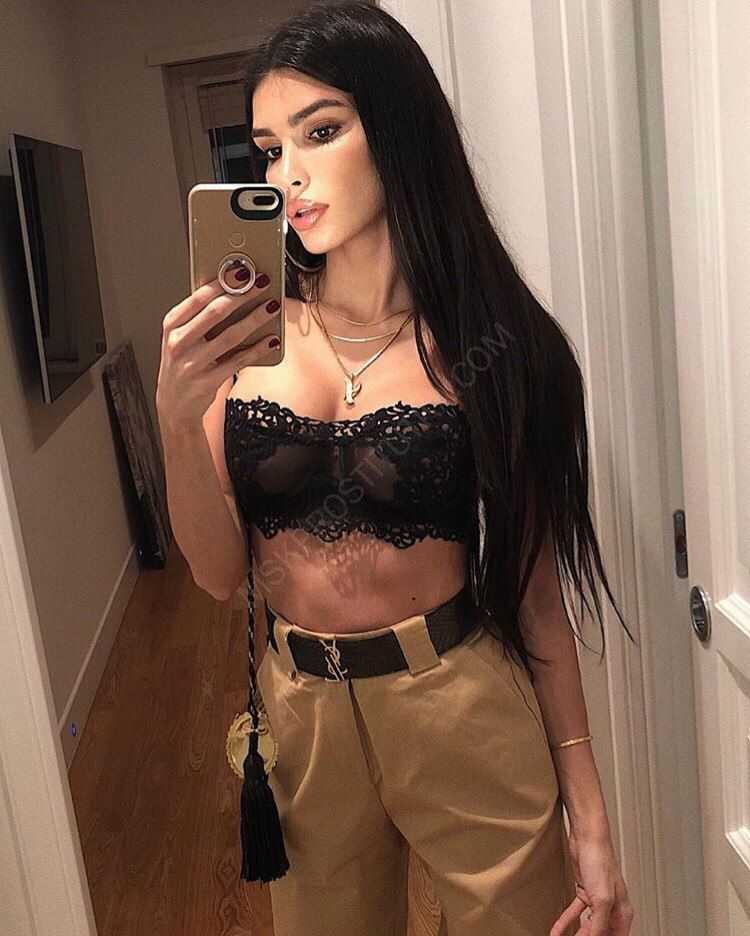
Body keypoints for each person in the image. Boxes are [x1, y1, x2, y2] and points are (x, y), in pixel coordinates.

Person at [156, 2, 635, 934]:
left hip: (459, 699)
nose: (288, 176)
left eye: (320, 132)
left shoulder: (494, 345)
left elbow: (538, 595)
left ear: (398, 128)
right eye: (268, 150)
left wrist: (592, 821)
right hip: (302, 715)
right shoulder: (245, 344)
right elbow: (218, 575)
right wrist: (178, 420)